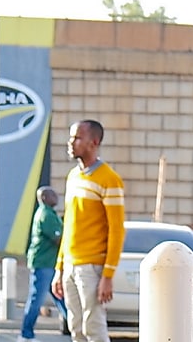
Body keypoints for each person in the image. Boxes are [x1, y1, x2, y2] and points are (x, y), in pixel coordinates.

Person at [51, 120, 126, 342]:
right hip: (71, 266)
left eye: (77, 138)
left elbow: (116, 230)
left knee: (93, 327)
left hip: (92, 267)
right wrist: (59, 267)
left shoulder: (109, 179)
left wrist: (108, 275)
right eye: (71, 137)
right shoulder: (73, 176)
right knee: (76, 328)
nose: (71, 142)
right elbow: (69, 226)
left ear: (94, 142)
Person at [18, 186, 67, 342]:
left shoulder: (50, 213)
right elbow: (59, 238)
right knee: (36, 299)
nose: (56, 196)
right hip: (43, 263)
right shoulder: (46, 214)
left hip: (50, 263)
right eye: (52, 194)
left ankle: (75, 329)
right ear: (45, 198)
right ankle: (26, 335)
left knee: (61, 297)